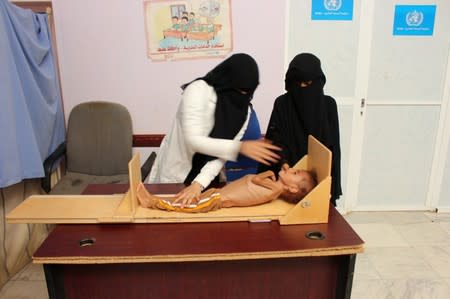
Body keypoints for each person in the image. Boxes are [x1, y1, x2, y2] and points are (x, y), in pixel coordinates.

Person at [147, 53, 281, 206]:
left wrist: (198, 184)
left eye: (248, 91)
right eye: (239, 89)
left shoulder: (243, 111)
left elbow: (220, 156)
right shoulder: (197, 91)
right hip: (176, 173)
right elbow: (194, 141)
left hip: (207, 178)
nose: (243, 95)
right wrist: (240, 147)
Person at [258, 53, 342, 206]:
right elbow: (275, 139)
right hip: (287, 181)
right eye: (298, 82)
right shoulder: (283, 103)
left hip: (318, 180)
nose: (302, 87)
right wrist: (283, 161)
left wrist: (331, 186)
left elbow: (333, 147)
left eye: (307, 82)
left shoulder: (328, 105)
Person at [138, 163, 317, 212]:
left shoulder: (274, 190)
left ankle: (151, 203)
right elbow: (257, 179)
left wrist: (271, 172)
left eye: (295, 173)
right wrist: (271, 172)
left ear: (293, 189)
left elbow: (255, 180)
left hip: (219, 200)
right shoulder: (273, 186)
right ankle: (155, 200)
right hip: (218, 193)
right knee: (185, 200)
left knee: (185, 206)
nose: (290, 168)